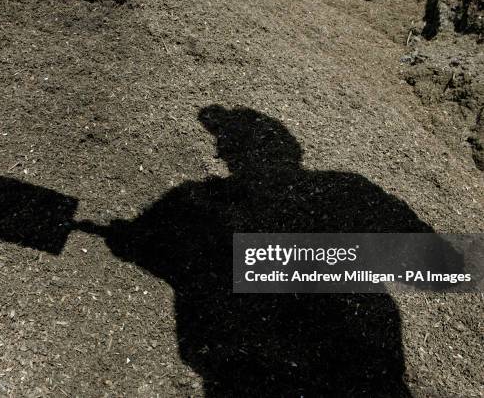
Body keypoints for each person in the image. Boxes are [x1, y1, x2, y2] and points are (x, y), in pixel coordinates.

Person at [84, 105, 432, 396]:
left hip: (267, 376)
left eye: (224, 147)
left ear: (230, 154)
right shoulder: (351, 189)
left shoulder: (202, 206)